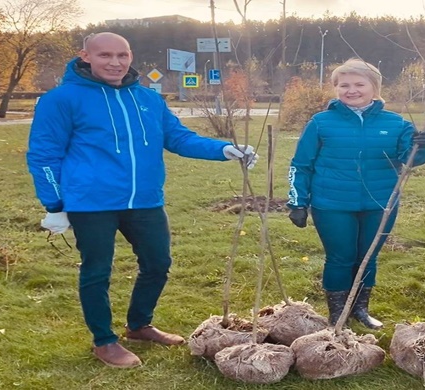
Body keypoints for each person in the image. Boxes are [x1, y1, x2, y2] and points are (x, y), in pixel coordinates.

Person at [26, 32, 258, 369]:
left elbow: (178, 137)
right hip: (91, 203)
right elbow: (44, 155)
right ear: (85, 56)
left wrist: (222, 150)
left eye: (122, 55)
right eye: (105, 55)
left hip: (145, 201)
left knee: (157, 264)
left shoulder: (148, 99)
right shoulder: (61, 100)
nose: (115, 62)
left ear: (131, 56)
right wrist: (55, 205)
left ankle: (139, 325)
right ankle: (104, 341)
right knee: (97, 271)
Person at [286, 58, 425, 329]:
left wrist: (421, 146)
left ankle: (361, 309)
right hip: (332, 203)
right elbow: (301, 164)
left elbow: (410, 159)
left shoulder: (396, 123)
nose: (351, 90)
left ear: (374, 87)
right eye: (344, 85)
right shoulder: (321, 122)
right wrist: (297, 202)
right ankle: (338, 312)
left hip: (380, 203)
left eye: (359, 84)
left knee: (368, 256)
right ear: (336, 89)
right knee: (341, 257)